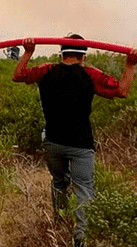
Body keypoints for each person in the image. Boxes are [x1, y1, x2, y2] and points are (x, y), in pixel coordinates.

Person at [13, 34, 137, 247]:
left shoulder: (47, 70)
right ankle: (80, 238)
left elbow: (18, 75)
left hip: (53, 143)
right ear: (83, 55)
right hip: (81, 145)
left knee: (59, 182)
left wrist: (28, 52)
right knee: (84, 189)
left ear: (62, 51)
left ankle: (60, 223)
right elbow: (122, 91)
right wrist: (130, 65)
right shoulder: (90, 74)